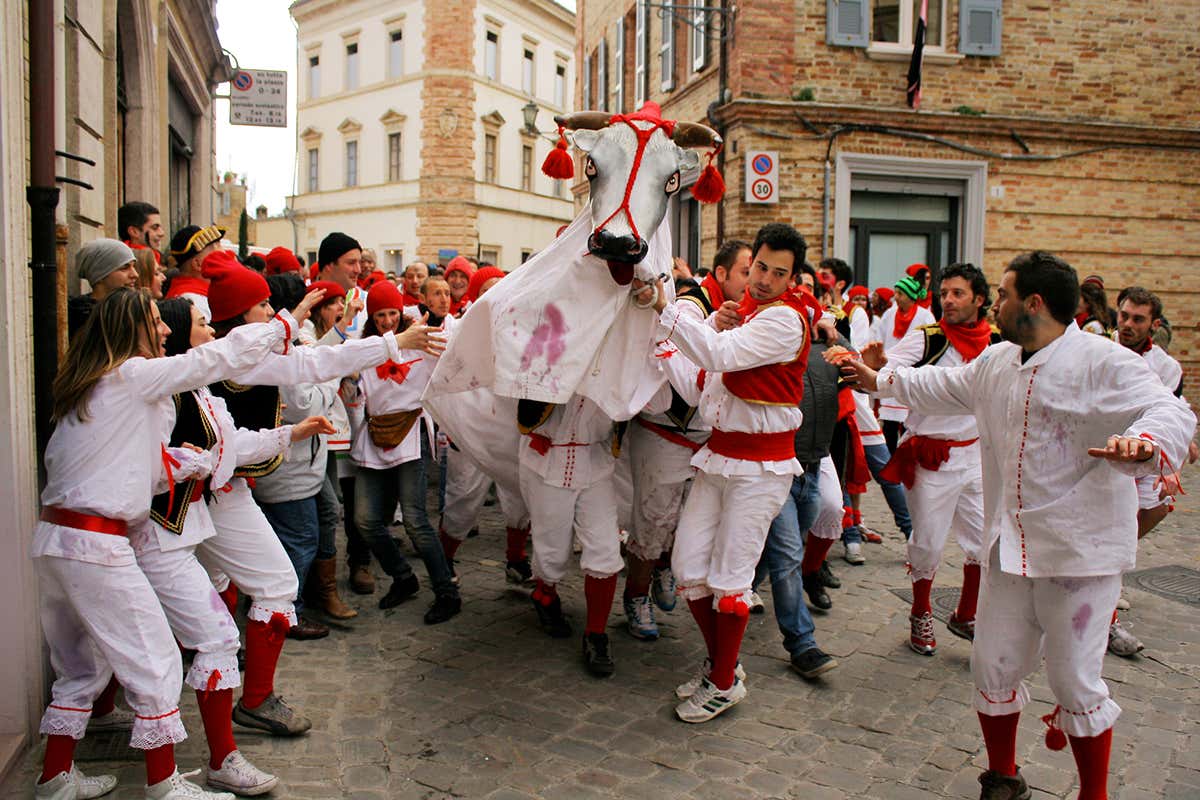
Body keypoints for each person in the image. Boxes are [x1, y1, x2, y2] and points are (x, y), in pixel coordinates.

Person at [835, 251, 1195, 800]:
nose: (993, 303)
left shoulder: (1103, 360)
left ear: (1033, 303)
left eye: (1001, 294)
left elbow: (1172, 412)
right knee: (993, 665)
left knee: (1075, 681)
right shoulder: (998, 361)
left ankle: (1093, 794)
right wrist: (875, 378)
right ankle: (1003, 777)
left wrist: (1143, 442)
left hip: (1080, 555)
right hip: (1009, 549)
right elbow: (942, 386)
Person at [34, 287, 294, 800]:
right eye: (156, 320)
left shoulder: (89, 388)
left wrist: (191, 462)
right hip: (96, 544)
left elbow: (131, 471)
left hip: (59, 539)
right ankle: (163, 785)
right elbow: (210, 359)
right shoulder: (131, 376)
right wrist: (281, 327)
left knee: (81, 665)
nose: (166, 329)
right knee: (156, 660)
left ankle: (55, 777)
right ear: (132, 328)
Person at [198, 253, 437, 734]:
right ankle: (232, 711)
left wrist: (390, 342)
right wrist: (392, 342)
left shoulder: (246, 358)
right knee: (227, 603)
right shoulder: (224, 361)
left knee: (251, 586)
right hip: (197, 497)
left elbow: (318, 358)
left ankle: (251, 699)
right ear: (242, 319)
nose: (270, 313)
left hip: (226, 488)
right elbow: (317, 361)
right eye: (262, 307)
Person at [138, 296, 332, 795]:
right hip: (153, 529)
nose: (210, 331)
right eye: (202, 324)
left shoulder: (194, 386)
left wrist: (290, 431)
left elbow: (226, 446)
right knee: (128, 651)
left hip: (190, 518)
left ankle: (226, 744)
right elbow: (151, 464)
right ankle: (128, 757)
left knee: (226, 622)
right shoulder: (156, 387)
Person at [646, 223, 816, 723]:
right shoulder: (746, 314)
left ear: (792, 278)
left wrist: (667, 311)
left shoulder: (783, 321)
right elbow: (703, 387)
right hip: (720, 456)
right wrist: (667, 345)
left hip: (760, 468)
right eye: (759, 266)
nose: (763, 279)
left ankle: (722, 681)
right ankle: (723, 666)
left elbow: (719, 356)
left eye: (777, 273)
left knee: (729, 579)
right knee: (688, 568)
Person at [872, 263, 998, 655]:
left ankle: (966, 613)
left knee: (986, 543)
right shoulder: (928, 339)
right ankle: (921, 610)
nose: (948, 300)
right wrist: (878, 365)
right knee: (927, 543)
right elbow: (886, 375)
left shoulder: (995, 344)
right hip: (931, 457)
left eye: (958, 293)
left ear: (979, 299)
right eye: (944, 292)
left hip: (975, 456)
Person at [347, 280, 460, 624]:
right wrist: (350, 383)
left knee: (415, 521)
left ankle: (447, 591)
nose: (387, 320)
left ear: (401, 311)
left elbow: (449, 358)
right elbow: (355, 394)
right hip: (373, 436)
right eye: (380, 314)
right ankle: (402, 577)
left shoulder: (420, 339)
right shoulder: (363, 347)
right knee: (365, 520)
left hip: (410, 433)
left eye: (393, 313)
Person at [875, 273, 936, 452]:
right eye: (895, 293)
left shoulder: (925, 316)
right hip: (890, 370)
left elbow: (931, 347)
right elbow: (880, 338)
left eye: (900, 294)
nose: (896, 297)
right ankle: (890, 458)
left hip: (912, 375)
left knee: (909, 421)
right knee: (890, 424)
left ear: (910, 296)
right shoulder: (889, 314)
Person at [68, 239, 141, 335]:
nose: (135, 274)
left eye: (133, 266)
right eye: (124, 268)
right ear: (100, 275)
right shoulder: (83, 320)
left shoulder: (132, 310)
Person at [164, 224, 224, 320]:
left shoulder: (196, 295)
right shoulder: (193, 300)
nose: (223, 260)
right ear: (198, 264)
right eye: (216, 256)